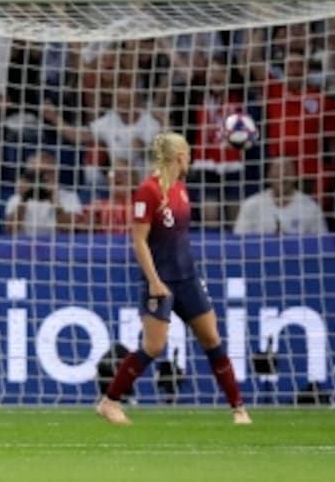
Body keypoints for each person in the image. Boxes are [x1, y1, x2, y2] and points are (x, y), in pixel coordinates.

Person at [96, 133, 251, 426]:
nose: (190, 160)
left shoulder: (180, 188)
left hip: (188, 278)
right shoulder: (148, 191)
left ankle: (239, 410)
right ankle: (109, 402)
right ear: (179, 156)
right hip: (161, 280)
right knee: (153, 347)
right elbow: (139, 241)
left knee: (212, 339)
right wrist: (154, 281)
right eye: (188, 154)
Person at [233, 157, 328, 235]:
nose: (283, 173)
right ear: (268, 175)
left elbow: (323, 244)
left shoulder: (310, 207)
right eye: (277, 169)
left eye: (288, 169)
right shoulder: (251, 205)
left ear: (295, 175)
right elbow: (239, 241)